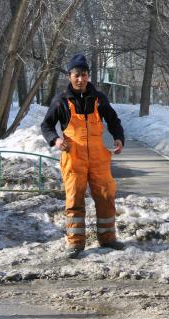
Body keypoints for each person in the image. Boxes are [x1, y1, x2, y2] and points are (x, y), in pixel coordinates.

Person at [41, 53, 125, 259]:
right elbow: (47, 125)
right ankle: (76, 243)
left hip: (98, 158)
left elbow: (114, 119)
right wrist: (56, 140)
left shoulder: (99, 98)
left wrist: (118, 138)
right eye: (77, 75)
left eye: (84, 75)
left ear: (88, 76)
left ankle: (108, 238)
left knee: (106, 196)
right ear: (70, 75)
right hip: (73, 157)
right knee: (75, 199)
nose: (81, 79)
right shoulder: (61, 101)